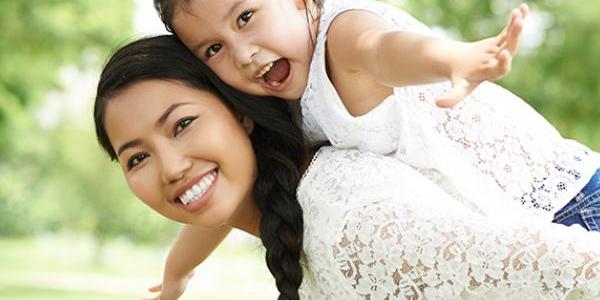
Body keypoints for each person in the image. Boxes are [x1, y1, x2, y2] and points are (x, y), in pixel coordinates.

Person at [94, 35, 600, 300]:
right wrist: (177, 275)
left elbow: (581, 265)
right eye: (136, 157)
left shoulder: (348, 222)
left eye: (182, 125)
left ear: (240, 111)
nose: (171, 167)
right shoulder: (294, 208)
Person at [153, 0, 600, 228]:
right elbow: (240, 185)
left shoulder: (340, 34)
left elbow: (382, 49)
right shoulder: (276, 101)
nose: (243, 54)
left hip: (569, 202)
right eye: (213, 49)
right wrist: (178, 271)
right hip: (511, 234)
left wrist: (452, 59)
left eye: (246, 17)